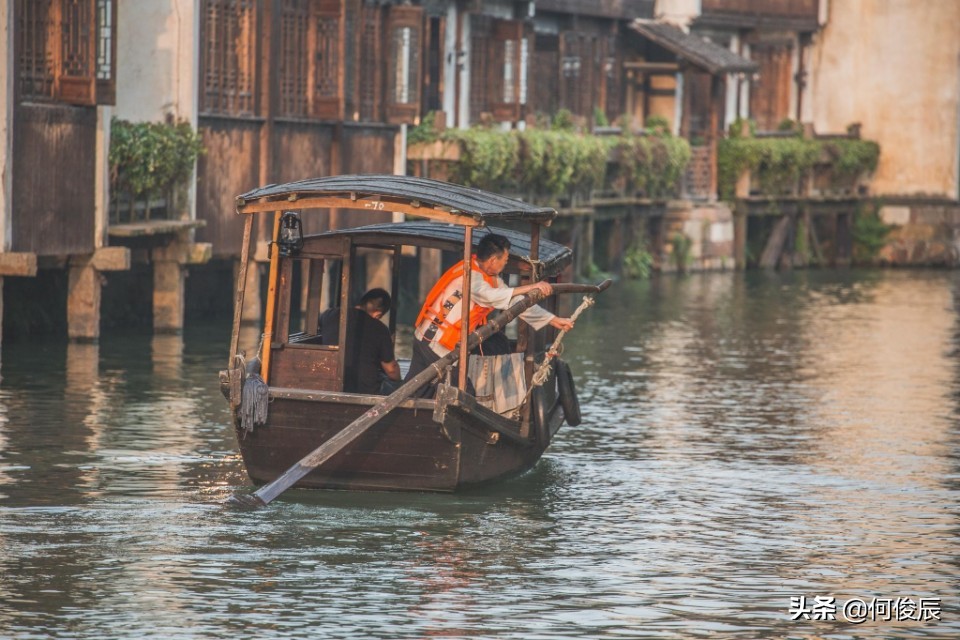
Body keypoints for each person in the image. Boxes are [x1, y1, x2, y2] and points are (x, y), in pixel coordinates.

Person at [405, 233, 574, 397]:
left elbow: (515, 303)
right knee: (463, 393)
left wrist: (554, 320)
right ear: (493, 260)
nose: (505, 265)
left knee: (415, 389)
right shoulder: (470, 275)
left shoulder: (489, 278)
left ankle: (399, 419)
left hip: (429, 338)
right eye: (505, 261)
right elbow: (491, 296)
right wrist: (531, 287)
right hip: (434, 341)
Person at [319, 288, 401, 395]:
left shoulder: (328, 315)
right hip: (364, 389)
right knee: (397, 386)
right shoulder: (380, 329)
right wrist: (399, 381)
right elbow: (391, 370)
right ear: (378, 314)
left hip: (329, 384)